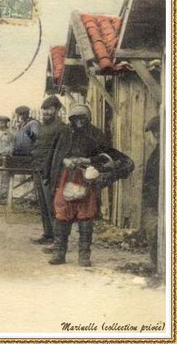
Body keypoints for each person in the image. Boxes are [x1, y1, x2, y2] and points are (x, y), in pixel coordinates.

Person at [46, 104, 133, 266]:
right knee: (63, 212)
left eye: (82, 118)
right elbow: (56, 155)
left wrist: (86, 161)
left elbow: (105, 156)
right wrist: (65, 160)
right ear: (71, 119)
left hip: (87, 177)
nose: (79, 121)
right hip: (66, 177)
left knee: (86, 213)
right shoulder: (65, 133)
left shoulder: (96, 134)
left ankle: (84, 256)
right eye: (76, 118)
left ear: (88, 118)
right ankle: (59, 253)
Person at [30, 95, 68, 247]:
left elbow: (60, 153)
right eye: (44, 110)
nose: (46, 113)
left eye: (49, 109)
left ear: (57, 110)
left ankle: (57, 240)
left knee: (53, 205)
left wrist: (53, 172)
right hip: (38, 170)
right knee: (43, 205)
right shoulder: (42, 127)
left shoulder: (62, 128)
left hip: (51, 173)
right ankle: (48, 235)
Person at [142, 115, 160, 270]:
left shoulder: (163, 153)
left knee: (155, 234)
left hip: (157, 203)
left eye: (148, 135)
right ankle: (158, 267)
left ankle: (160, 269)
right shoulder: (157, 152)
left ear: (157, 134)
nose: (147, 140)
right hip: (153, 202)